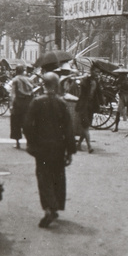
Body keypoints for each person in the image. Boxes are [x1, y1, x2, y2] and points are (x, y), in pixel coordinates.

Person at [23, 72, 76, 228]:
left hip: (42, 147)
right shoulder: (61, 103)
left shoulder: (36, 102)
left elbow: (27, 125)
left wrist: (31, 143)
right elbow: (68, 128)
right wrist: (70, 150)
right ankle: (55, 206)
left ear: (43, 85)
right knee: (58, 176)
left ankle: (49, 208)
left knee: (43, 176)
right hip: (58, 147)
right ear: (57, 85)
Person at [75, 65, 104, 153]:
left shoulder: (96, 81)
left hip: (91, 106)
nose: (97, 73)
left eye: (98, 72)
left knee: (87, 125)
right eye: (95, 71)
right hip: (84, 105)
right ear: (91, 71)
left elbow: (99, 93)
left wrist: (102, 103)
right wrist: (84, 79)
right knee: (86, 125)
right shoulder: (86, 80)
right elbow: (82, 88)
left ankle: (79, 144)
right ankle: (89, 146)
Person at [9, 65, 34, 149]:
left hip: (18, 102)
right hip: (28, 102)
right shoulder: (28, 79)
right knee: (27, 122)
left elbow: (13, 94)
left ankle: (18, 143)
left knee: (16, 123)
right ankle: (29, 142)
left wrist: (11, 105)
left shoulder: (15, 80)